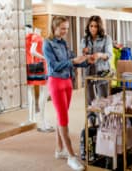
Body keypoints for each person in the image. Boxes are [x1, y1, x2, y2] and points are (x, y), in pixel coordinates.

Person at [43, 16, 92, 171]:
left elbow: (72, 60)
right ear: (54, 27)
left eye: (67, 28)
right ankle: (71, 156)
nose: (65, 31)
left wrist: (86, 60)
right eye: (62, 28)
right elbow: (54, 66)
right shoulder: (47, 44)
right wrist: (73, 61)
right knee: (64, 118)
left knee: (61, 115)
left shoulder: (64, 43)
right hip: (56, 82)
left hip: (68, 82)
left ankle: (59, 150)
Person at [25, 25, 53, 132]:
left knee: (37, 93)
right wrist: (45, 57)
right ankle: (42, 122)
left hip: (32, 66)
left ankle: (37, 119)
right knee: (44, 93)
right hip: (41, 66)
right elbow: (33, 51)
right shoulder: (36, 36)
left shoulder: (28, 37)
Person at [81, 15, 113, 104]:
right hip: (88, 72)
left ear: (99, 27)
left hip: (102, 72)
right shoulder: (84, 39)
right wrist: (84, 53)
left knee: (103, 100)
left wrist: (99, 55)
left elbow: (109, 55)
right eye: (91, 26)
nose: (93, 29)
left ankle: (104, 117)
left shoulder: (107, 38)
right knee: (90, 101)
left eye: (95, 26)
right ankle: (91, 117)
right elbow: (82, 57)